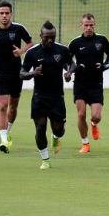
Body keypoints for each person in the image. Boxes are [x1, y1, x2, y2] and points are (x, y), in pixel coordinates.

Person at [20, 21, 75, 169]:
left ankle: (56, 137)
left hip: (57, 97)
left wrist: (69, 72)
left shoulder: (62, 50)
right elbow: (22, 73)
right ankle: (45, 159)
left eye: (52, 37)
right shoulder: (32, 53)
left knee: (59, 129)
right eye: (46, 37)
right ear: (41, 36)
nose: (50, 40)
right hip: (39, 97)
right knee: (40, 127)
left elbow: (72, 63)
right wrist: (32, 73)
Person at [0, 1, 33, 153]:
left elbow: (30, 43)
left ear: (11, 14)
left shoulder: (18, 29)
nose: (4, 16)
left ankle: (8, 130)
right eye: (2, 13)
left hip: (16, 73)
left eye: (7, 13)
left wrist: (21, 51)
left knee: (12, 108)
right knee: (2, 106)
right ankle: (4, 141)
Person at [67, 13, 109, 153]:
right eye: (86, 25)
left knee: (96, 116)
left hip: (96, 83)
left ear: (94, 25)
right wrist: (71, 70)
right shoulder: (75, 43)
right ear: (81, 25)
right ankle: (85, 143)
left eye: (91, 25)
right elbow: (67, 60)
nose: (88, 28)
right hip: (80, 83)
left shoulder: (102, 40)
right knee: (81, 114)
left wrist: (104, 66)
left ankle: (94, 124)